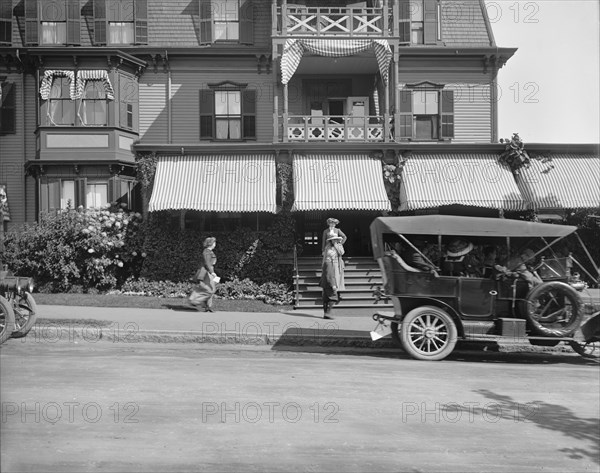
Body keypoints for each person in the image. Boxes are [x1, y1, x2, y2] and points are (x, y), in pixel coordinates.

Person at [319, 234, 345, 319]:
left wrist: (337, 246)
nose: (335, 241)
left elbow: (342, 253)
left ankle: (336, 292)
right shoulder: (327, 247)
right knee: (330, 280)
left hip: (336, 264)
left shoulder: (339, 246)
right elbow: (325, 257)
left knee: (336, 280)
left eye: (336, 239)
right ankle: (327, 312)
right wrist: (323, 266)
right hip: (329, 263)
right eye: (333, 239)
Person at [189, 237, 218, 312]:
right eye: (214, 242)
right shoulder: (207, 252)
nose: (215, 244)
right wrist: (212, 272)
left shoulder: (210, 252)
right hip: (205, 272)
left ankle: (207, 307)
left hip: (209, 272)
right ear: (211, 243)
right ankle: (195, 300)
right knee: (209, 290)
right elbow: (207, 263)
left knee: (211, 289)